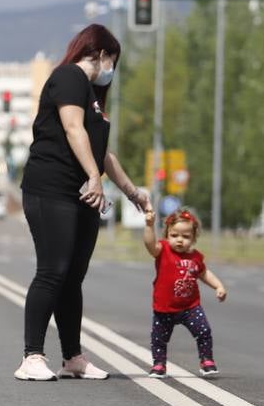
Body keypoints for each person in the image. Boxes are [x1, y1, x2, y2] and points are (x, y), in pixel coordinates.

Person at [15, 24, 150, 381]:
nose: (112, 70)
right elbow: (73, 130)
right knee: (52, 271)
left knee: (73, 277)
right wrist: (93, 177)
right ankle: (31, 357)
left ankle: (72, 357)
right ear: (103, 54)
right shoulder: (69, 76)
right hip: (51, 189)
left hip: (83, 194)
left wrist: (132, 193)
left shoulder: (91, 95)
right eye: (113, 61)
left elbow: (103, 152)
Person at [143, 209, 227, 376]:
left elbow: (204, 273)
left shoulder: (195, 257)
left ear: (193, 238)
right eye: (174, 235)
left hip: (190, 307)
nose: (180, 240)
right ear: (167, 234)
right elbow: (150, 244)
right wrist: (149, 226)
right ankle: (159, 364)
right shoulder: (163, 250)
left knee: (204, 331)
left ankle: (206, 360)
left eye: (186, 236)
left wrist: (218, 286)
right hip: (164, 307)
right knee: (159, 339)